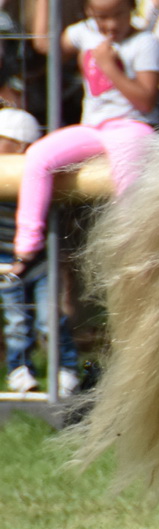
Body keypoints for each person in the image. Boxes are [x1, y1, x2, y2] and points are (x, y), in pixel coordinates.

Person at [6, 0, 159, 284]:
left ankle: (136, 250)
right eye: (100, 17)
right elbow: (44, 44)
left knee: (128, 172)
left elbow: (145, 99)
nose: (108, 26)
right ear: (90, 13)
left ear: (131, 9)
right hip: (93, 127)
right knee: (38, 156)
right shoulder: (84, 32)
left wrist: (110, 67)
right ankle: (26, 247)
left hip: (132, 124)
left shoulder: (145, 43)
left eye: (116, 16)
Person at [0, 108, 79, 394]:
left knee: (50, 318)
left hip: (41, 260)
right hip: (6, 261)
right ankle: (19, 370)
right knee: (17, 320)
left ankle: (66, 369)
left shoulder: (40, 174)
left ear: (20, 146)